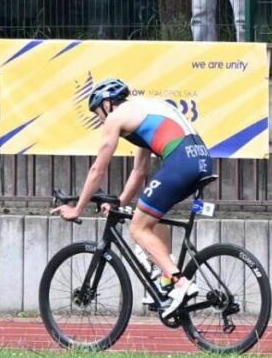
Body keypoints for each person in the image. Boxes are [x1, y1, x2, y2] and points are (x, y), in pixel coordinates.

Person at [54, 78, 211, 319]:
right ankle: (167, 278)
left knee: (137, 229)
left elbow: (97, 170)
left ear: (107, 104)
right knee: (152, 215)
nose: (100, 120)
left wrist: (77, 209)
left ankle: (180, 283)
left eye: (98, 113)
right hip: (201, 160)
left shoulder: (117, 117)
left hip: (182, 163)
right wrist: (120, 203)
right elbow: (139, 172)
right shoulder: (141, 113)